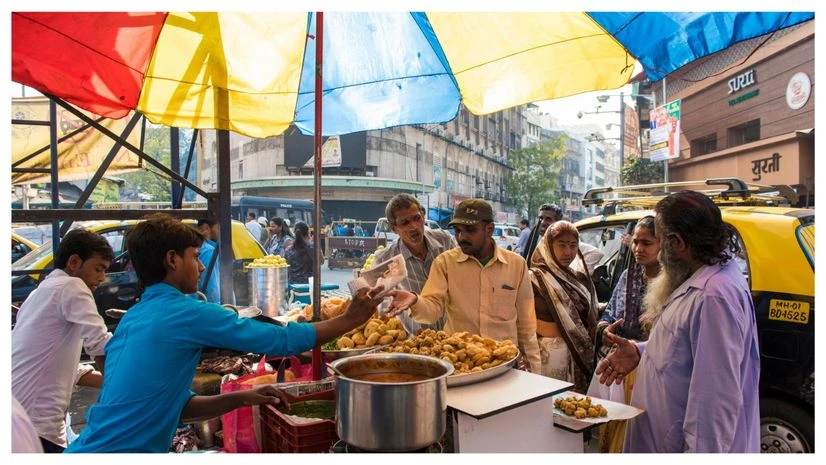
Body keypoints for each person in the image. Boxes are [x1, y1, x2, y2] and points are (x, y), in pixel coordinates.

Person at [65, 213, 385, 453]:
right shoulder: (185, 313)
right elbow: (279, 339)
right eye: (195, 257)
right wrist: (349, 319)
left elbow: (174, 406)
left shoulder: (133, 318)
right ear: (172, 260)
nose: (202, 267)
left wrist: (245, 397)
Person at [596, 191, 760, 452]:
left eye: (659, 241)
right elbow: (685, 349)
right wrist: (641, 352)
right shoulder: (702, 278)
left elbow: (713, 405)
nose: (658, 253)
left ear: (677, 243)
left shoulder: (712, 296)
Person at [386, 199, 541, 373]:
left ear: (489, 229)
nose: (461, 237)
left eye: (470, 230)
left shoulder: (516, 265)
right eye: (458, 230)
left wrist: (535, 373)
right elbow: (432, 309)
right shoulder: (445, 263)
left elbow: (527, 327)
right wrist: (415, 300)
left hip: (504, 364)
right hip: (461, 364)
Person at [12, 228, 115, 453]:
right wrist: (131, 390)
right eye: (99, 269)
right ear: (74, 261)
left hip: (18, 416)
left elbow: (52, 361)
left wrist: (104, 381)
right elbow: (101, 346)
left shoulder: (40, 292)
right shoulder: (73, 286)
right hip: (38, 423)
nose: (101, 278)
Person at [589, 215, 661, 453]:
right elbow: (610, 313)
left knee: (645, 431)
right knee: (617, 430)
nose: (639, 249)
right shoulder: (628, 276)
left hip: (654, 366)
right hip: (622, 365)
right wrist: (606, 329)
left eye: (647, 243)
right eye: (636, 242)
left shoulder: (673, 282)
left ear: (663, 245)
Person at [371, 193, 457, 334]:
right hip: (415, 343)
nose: (414, 227)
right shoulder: (385, 259)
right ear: (394, 228)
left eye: (417, 218)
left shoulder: (445, 241)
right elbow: (381, 307)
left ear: (423, 216)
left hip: (452, 337)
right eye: (405, 223)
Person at [529, 220, 599, 392]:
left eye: (573, 245)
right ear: (548, 246)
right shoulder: (534, 278)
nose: (568, 252)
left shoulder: (579, 279)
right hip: (547, 358)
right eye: (561, 245)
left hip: (577, 358)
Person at [195, 219, 222, 304]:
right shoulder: (208, 250)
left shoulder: (203, 247)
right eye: (218, 228)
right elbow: (211, 289)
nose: (220, 232)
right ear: (206, 228)